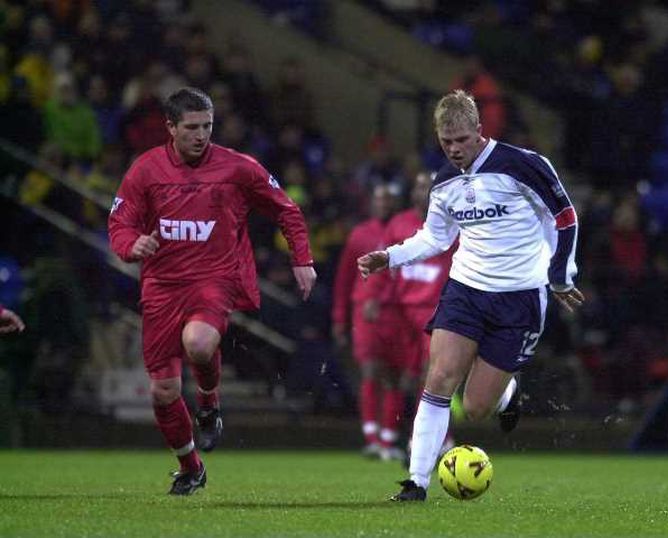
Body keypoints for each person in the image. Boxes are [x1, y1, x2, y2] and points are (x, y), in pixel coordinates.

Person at [357, 90, 584, 501]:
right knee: (439, 378)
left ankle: (508, 392)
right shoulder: (444, 183)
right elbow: (434, 238)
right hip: (466, 290)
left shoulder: (524, 165)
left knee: (477, 407)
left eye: (462, 139)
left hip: (520, 297)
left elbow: (565, 217)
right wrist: (389, 257)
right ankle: (416, 483)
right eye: (447, 142)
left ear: (480, 131)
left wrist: (561, 275)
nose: (456, 149)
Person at [108, 87, 316, 496]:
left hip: (215, 279)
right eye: (191, 128)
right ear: (170, 127)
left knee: (200, 344)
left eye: (207, 126)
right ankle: (191, 466)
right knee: (163, 390)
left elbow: (286, 209)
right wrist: (131, 246)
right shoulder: (146, 170)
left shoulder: (238, 167)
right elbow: (120, 223)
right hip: (162, 286)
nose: (201, 135)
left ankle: (208, 401)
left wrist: (302, 259)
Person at [363, 171, 455, 460]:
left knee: (433, 373)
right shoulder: (399, 223)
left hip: (436, 310)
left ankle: (436, 438)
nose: (423, 191)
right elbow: (383, 261)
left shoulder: (452, 224)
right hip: (401, 313)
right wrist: (374, 297)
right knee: (401, 377)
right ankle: (399, 437)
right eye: (418, 186)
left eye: (428, 186)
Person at [331, 185, 395, 458]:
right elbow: (345, 278)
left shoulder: (405, 229)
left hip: (395, 311)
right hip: (364, 312)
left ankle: (388, 439)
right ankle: (371, 435)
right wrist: (339, 318)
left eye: (387, 199)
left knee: (393, 375)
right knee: (369, 370)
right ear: (371, 203)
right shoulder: (360, 234)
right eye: (378, 198)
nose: (382, 203)